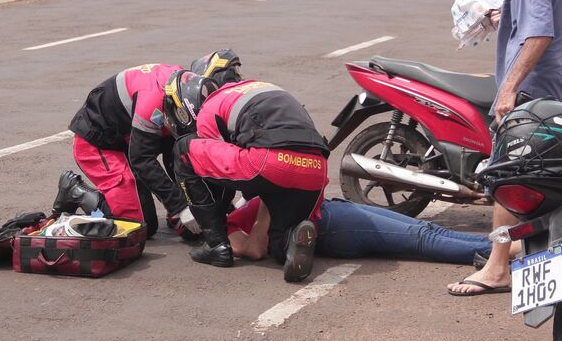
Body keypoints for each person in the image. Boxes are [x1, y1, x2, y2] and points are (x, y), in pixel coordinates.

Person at [448, 0, 562, 296]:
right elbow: (547, 16)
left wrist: (507, 90)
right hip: (555, 87)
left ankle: (496, 268)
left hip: (532, 93)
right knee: (546, 178)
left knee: (507, 175)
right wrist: (506, 17)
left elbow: (541, 32)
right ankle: (560, 266)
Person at [165, 71, 329, 283]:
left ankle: (216, 246)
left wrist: (215, 217)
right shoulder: (262, 87)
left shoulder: (209, 109)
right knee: (277, 245)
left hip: (269, 162)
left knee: (183, 150)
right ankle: (289, 241)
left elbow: (217, 170)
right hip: (316, 169)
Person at [65, 62, 199, 239]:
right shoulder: (152, 103)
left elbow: (178, 156)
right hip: (97, 143)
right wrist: (180, 207)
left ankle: (173, 211)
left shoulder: (188, 87)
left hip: (127, 135)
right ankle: (75, 191)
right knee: (138, 226)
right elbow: (142, 159)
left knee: (182, 147)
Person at [228, 197, 493, 264]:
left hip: (335, 212)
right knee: (422, 238)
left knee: (427, 229)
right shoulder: (227, 225)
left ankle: (501, 245)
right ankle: (505, 250)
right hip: (333, 226)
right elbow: (253, 249)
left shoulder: (238, 210)